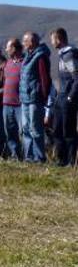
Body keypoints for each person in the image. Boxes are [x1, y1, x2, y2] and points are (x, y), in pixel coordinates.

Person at [20, 32, 52, 163]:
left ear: (31, 42)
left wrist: (43, 98)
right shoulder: (28, 55)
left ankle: (39, 157)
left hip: (35, 99)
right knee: (26, 129)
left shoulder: (40, 56)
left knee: (35, 129)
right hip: (25, 98)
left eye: (25, 41)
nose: (23, 43)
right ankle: (29, 157)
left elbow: (44, 79)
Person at [49, 28, 78, 166]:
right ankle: (61, 160)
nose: (52, 42)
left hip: (66, 98)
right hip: (60, 97)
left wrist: (70, 97)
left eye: (53, 39)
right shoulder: (62, 55)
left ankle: (71, 161)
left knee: (68, 131)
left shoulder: (69, 55)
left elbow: (76, 78)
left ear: (58, 39)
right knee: (57, 130)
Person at [2, 38, 24, 160]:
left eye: (8, 47)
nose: (6, 50)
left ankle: (27, 155)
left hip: (19, 104)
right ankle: (15, 155)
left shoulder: (25, 62)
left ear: (14, 48)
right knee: (10, 132)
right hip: (7, 103)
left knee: (23, 131)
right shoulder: (8, 63)